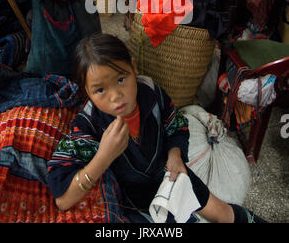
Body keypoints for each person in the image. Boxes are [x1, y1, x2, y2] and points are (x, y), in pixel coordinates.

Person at [46, 33, 267, 223]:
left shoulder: (150, 92)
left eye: (121, 79)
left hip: (170, 175)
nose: (115, 96)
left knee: (221, 212)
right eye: (100, 90)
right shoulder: (89, 124)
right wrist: (103, 157)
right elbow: (63, 200)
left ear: (133, 68)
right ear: (87, 92)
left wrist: (175, 155)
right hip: (132, 204)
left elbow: (176, 125)